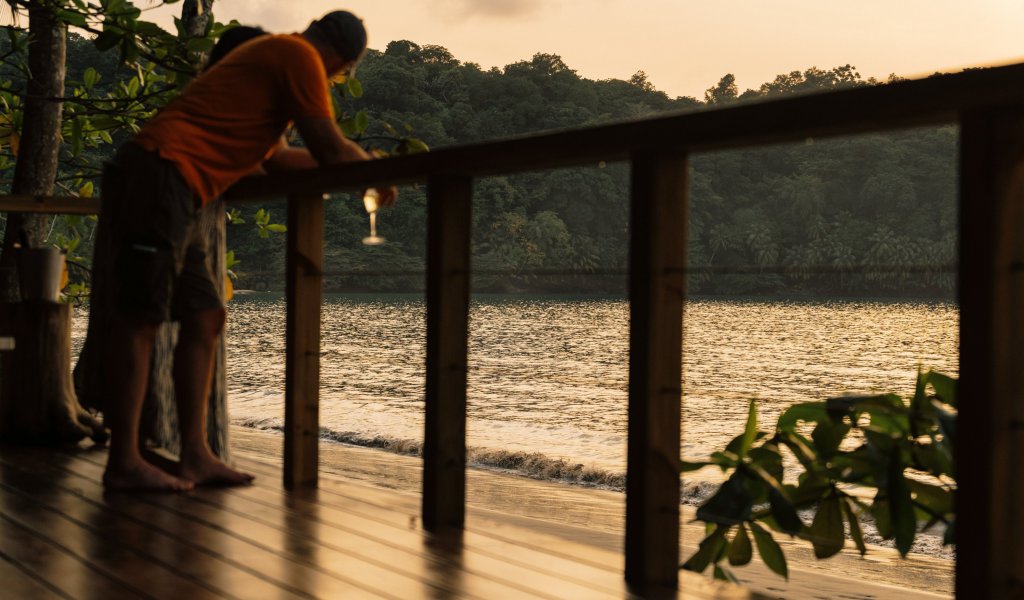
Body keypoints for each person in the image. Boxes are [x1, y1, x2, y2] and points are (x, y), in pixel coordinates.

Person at [100, 10, 397, 491]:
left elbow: (276, 160)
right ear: (342, 62)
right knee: (142, 319)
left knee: (203, 316)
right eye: (341, 74)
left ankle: (195, 454)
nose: (335, 80)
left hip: (186, 189)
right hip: (161, 172)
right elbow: (325, 145)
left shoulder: (276, 68)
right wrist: (370, 169)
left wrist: (362, 162)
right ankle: (124, 461)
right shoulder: (296, 55)